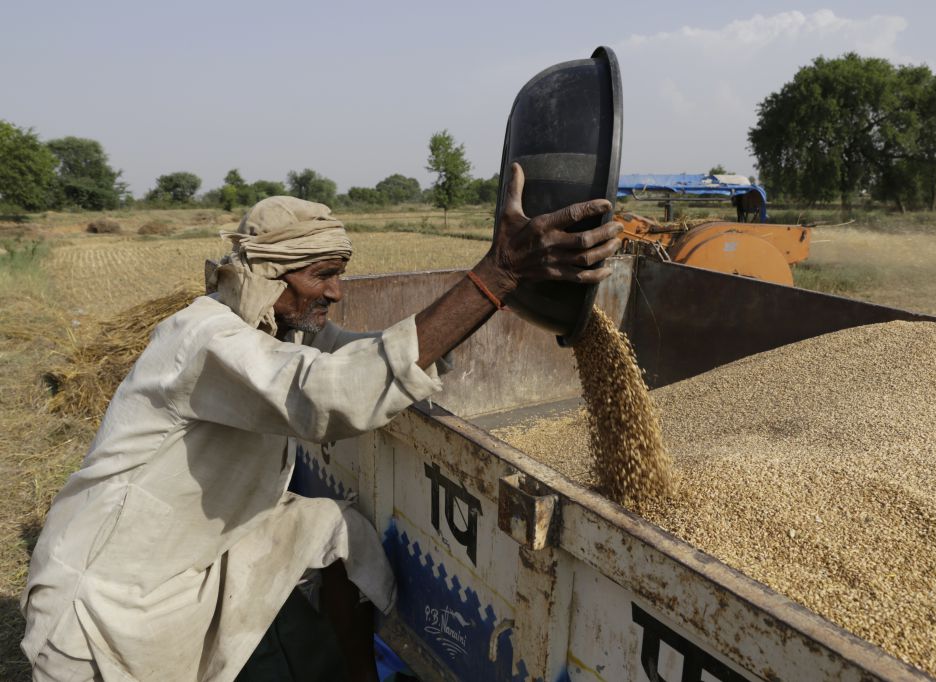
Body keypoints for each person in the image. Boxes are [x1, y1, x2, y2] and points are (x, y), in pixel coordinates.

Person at [20, 163, 622, 682]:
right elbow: (330, 394)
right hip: (105, 598)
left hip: (190, 558)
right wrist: (496, 275)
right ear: (267, 276)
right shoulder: (205, 340)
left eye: (340, 272)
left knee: (336, 530)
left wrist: (474, 313)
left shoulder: (276, 331)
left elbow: (362, 354)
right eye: (321, 275)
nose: (336, 292)